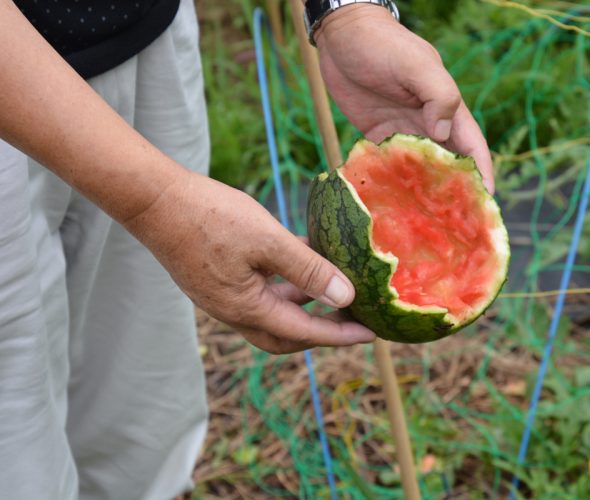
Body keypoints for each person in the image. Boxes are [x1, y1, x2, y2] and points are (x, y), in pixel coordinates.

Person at [0, 0, 494, 498]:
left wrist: (346, 12)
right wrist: (155, 201)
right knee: (17, 456)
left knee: (136, 431)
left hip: (143, 33)